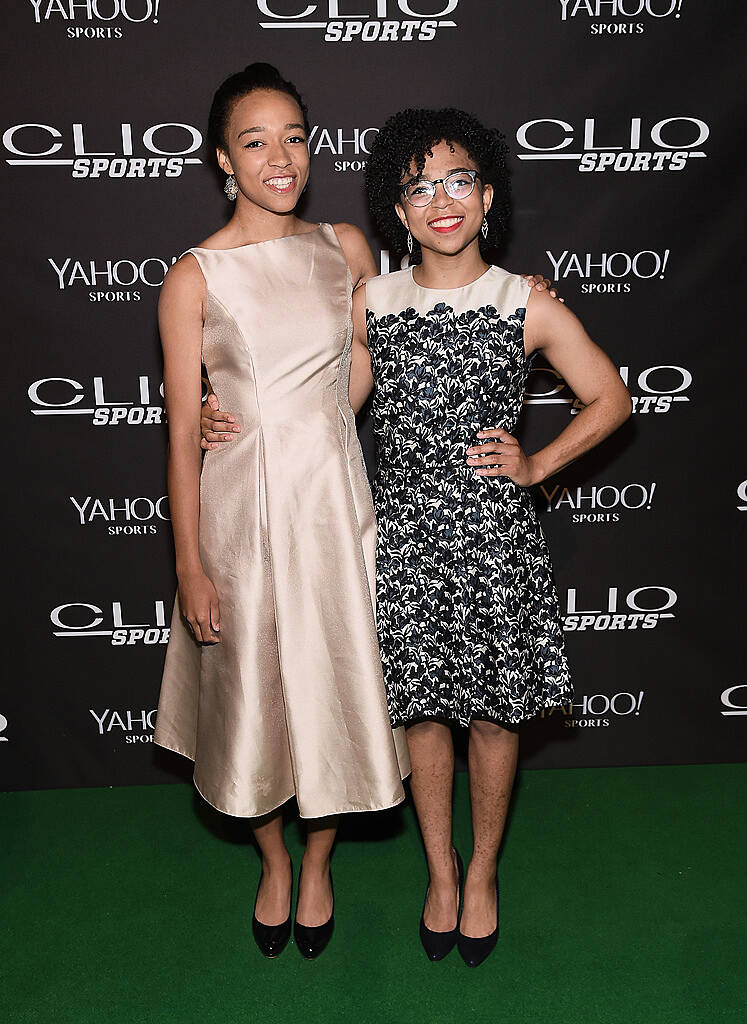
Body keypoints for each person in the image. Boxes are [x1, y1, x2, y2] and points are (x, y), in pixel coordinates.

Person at [153, 62, 413, 962]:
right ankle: (272, 859)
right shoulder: (194, 276)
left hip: (333, 507)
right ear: (223, 157)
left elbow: (368, 365)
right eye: (255, 141)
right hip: (238, 515)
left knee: (336, 683)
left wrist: (312, 420)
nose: (279, 157)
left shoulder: (345, 246)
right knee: (251, 695)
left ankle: (318, 863)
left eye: (294, 136)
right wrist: (190, 564)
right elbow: (183, 431)